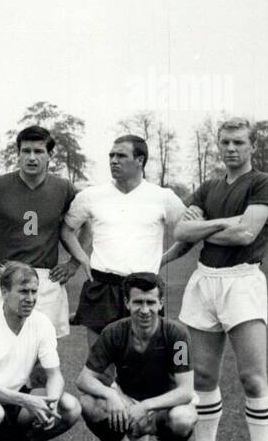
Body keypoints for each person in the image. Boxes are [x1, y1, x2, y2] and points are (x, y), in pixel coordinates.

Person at [165, 118, 268, 441]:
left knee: (251, 376)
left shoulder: (263, 183)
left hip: (242, 281)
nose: (231, 149)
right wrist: (221, 223)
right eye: (226, 142)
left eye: (239, 142)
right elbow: (182, 232)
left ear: (252, 146)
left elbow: (247, 233)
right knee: (202, 376)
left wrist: (207, 225)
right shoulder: (209, 186)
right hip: (204, 281)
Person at [62, 135, 186, 345]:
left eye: (121, 155)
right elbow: (66, 229)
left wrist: (163, 259)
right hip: (102, 287)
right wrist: (82, 258)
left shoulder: (162, 197)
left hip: (144, 289)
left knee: (143, 364)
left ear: (140, 160)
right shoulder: (92, 195)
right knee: (100, 367)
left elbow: (188, 233)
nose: (113, 160)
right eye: (111, 155)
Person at [76, 272, 197, 441]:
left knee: (184, 417)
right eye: (138, 302)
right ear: (127, 303)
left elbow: (186, 391)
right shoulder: (113, 332)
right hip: (126, 405)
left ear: (160, 303)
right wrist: (111, 395)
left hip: (163, 408)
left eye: (150, 302)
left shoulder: (177, 335)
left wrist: (147, 406)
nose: (144, 310)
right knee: (87, 402)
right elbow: (84, 379)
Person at [0, 125, 80, 337]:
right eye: (26, 151)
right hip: (4, 276)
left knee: (41, 352)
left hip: (46, 280)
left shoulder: (63, 188)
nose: (32, 157)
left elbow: (89, 221)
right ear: (18, 154)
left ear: (50, 156)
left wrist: (74, 264)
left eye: (38, 151)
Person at [0, 262, 81, 441]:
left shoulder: (42, 322)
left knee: (70, 407)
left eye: (34, 292)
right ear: (4, 291)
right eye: (22, 292)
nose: (30, 299)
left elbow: (54, 375)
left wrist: (51, 402)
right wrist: (28, 401)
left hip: (18, 399)